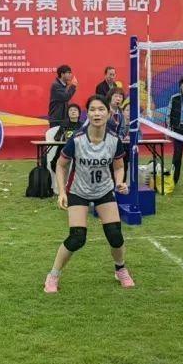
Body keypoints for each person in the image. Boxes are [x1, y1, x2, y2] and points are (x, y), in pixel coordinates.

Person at [44, 95, 133, 293]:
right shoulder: (77, 139)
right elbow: (61, 165)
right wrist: (61, 192)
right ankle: (53, 275)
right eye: (92, 110)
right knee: (77, 238)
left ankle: (120, 269)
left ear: (108, 113)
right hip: (79, 191)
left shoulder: (114, 140)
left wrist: (120, 182)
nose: (96, 113)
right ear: (88, 114)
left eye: (101, 109)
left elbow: (119, 166)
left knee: (115, 235)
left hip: (104, 190)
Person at [107, 87, 130, 179]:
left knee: (122, 167)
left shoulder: (120, 113)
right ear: (110, 97)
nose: (118, 99)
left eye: (120, 97)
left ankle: (120, 185)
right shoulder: (104, 110)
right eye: (116, 96)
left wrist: (120, 137)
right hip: (105, 146)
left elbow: (120, 130)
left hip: (117, 145)